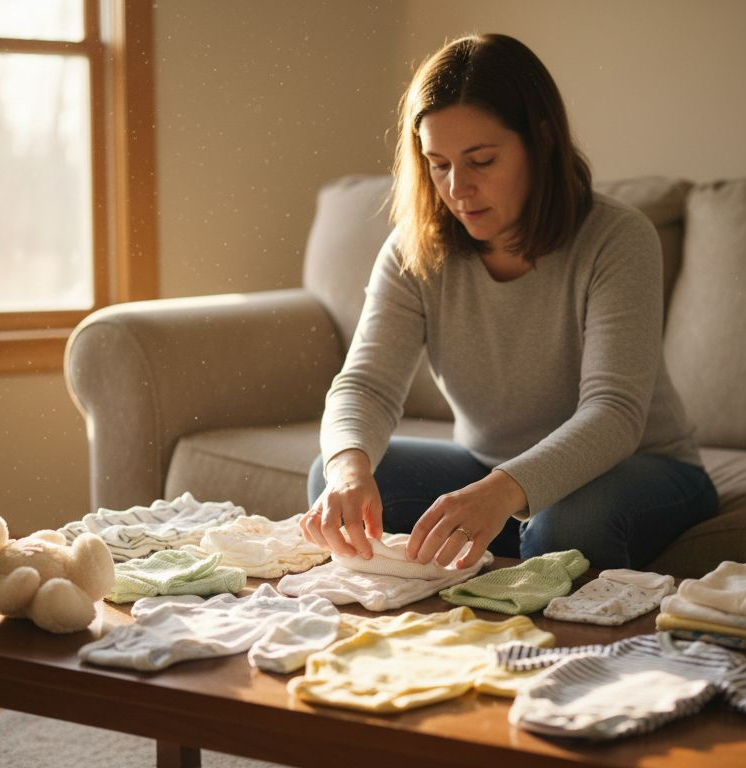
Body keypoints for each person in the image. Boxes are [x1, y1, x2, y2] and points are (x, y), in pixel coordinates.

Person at [299, 33, 717, 572]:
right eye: (439, 163)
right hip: (490, 465)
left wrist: (500, 493)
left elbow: (613, 415)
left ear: (541, 141)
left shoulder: (618, 237)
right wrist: (348, 470)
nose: (458, 189)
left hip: (641, 466)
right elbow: (366, 386)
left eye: (482, 160)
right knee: (334, 480)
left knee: (562, 527)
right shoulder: (414, 249)